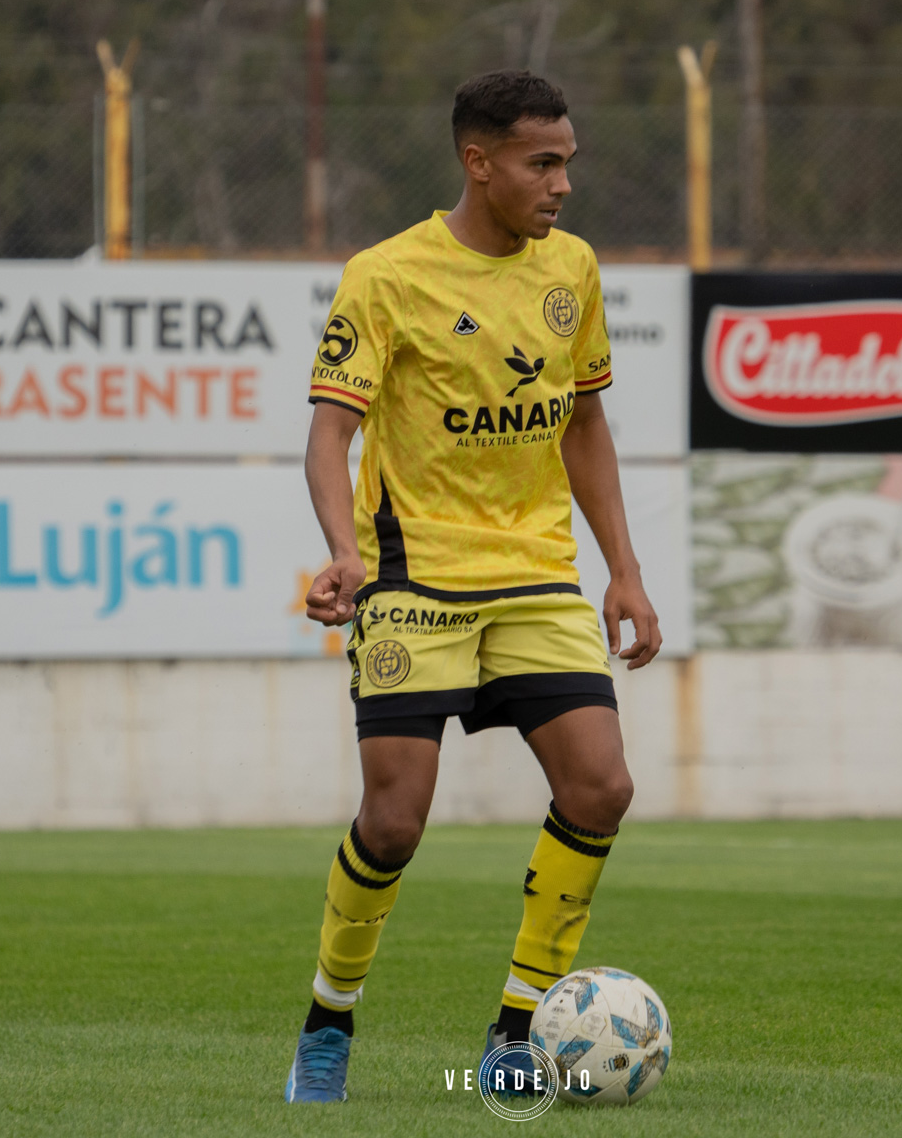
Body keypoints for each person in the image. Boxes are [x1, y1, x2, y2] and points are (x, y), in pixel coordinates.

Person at [285, 69, 663, 1103]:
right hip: (415, 579)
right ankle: (329, 1021)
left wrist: (625, 571)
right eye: (543, 165)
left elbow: (585, 423)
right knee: (394, 822)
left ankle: (517, 1031)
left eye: (568, 164)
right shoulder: (386, 276)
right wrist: (343, 551)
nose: (562, 185)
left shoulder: (572, 270)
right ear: (478, 161)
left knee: (602, 786)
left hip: (536, 575)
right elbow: (328, 434)